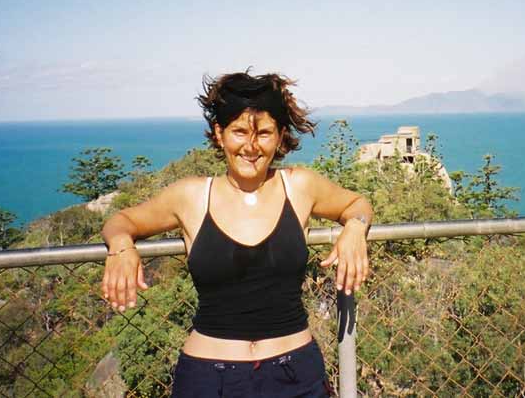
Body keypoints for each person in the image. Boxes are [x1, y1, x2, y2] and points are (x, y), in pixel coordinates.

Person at [101, 72, 373, 397]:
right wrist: (120, 246)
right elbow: (121, 220)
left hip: (296, 376)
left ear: (281, 135)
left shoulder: (299, 186)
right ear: (219, 134)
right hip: (208, 380)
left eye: (265, 133)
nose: (251, 147)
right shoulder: (191, 196)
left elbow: (358, 203)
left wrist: (355, 227)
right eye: (239, 132)